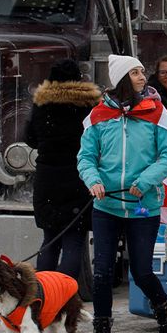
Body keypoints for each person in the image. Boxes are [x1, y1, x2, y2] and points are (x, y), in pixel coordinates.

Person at [77, 55, 167, 333]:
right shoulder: (98, 116)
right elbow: (86, 157)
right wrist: (92, 180)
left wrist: (147, 180)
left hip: (143, 206)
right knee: (102, 273)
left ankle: (164, 314)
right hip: (106, 206)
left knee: (142, 271)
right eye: (134, 72)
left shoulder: (155, 112)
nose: (141, 76)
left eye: (141, 71)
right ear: (121, 78)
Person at [24, 59, 101, 280]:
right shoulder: (88, 105)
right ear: (78, 78)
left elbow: (30, 138)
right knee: (74, 239)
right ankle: (66, 293)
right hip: (79, 177)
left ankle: (45, 291)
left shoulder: (42, 103)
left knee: (50, 238)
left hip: (48, 179)